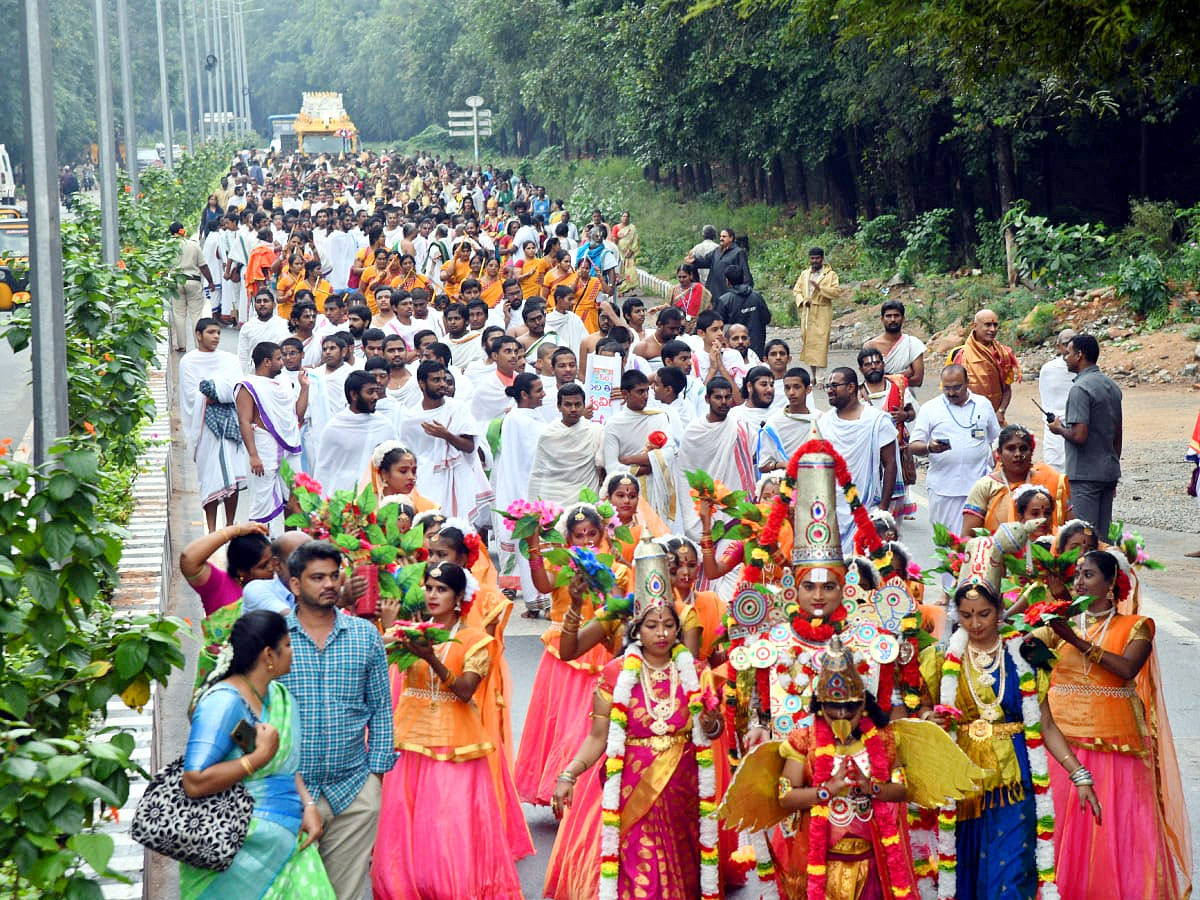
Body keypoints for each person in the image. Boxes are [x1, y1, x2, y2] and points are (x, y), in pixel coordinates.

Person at [926, 535, 1100, 900]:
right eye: (967, 615)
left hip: (1014, 785)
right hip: (963, 789)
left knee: (1011, 877)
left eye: (984, 614)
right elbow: (924, 716)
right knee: (967, 878)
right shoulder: (942, 663)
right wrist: (933, 719)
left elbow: (1047, 725)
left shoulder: (1024, 656)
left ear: (1000, 609)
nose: (975, 624)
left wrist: (1078, 773)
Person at [550, 542, 723, 900]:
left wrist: (711, 723)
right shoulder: (616, 674)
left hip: (683, 792)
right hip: (633, 789)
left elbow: (714, 728)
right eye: (651, 625)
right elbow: (599, 737)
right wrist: (569, 774)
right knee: (640, 875)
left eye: (668, 625)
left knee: (683, 879)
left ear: (678, 629)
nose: (661, 633)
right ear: (636, 630)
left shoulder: (695, 672)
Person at [1042, 549, 1191, 900]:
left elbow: (1127, 669)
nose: (1079, 581)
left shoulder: (1136, 626)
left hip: (1114, 744)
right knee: (1060, 827)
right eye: (1077, 574)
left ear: (1111, 584)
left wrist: (1074, 641)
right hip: (1062, 741)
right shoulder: (1057, 622)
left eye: (1089, 575)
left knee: (1112, 829)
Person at [371, 563, 526, 900]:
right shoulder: (409, 633)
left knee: (446, 825)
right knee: (404, 822)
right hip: (410, 740)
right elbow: (375, 667)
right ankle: (405, 888)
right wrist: (387, 627)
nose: (432, 595)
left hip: (455, 744)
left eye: (441, 589)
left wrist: (433, 659)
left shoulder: (475, 640)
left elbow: (466, 691)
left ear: (459, 598)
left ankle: (450, 889)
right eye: (428, 587)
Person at [181, 611, 335, 900]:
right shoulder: (223, 704)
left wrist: (308, 805)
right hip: (239, 853)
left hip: (289, 842)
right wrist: (257, 757)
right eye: (288, 645)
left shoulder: (277, 696)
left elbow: (284, 766)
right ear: (269, 654)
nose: (293, 652)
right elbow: (194, 780)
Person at [279, 541, 394, 900]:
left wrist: (373, 783)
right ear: (295, 585)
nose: (329, 584)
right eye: (317, 578)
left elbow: (381, 710)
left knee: (344, 895)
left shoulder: (364, 636)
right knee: (290, 893)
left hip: (353, 793)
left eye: (333, 575)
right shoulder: (274, 639)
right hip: (288, 796)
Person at [773, 636, 919, 900]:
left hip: (873, 860)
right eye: (832, 708)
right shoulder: (803, 741)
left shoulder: (883, 739)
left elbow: (902, 790)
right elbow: (785, 796)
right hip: (820, 863)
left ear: (864, 704)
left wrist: (871, 787)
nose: (841, 716)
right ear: (820, 706)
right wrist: (827, 790)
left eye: (850, 709)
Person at [514, 506, 632, 806]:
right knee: (561, 725)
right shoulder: (562, 565)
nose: (586, 540)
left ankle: (585, 794)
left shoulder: (615, 569)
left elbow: (616, 607)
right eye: (579, 536)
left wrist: (599, 578)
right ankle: (558, 786)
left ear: (603, 533)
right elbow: (542, 586)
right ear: (569, 538)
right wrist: (533, 545)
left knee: (586, 724)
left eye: (592, 534)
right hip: (562, 652)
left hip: (599, 649)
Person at [908, 363, 1000, 537]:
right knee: (947, 545)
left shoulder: (983, 405)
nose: (951, 393)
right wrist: (929, 447)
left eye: (957, 387)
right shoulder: (930, 408)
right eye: (946, 388)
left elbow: (997, 441)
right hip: (943, 490)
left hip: (978, 489)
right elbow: (913, 445)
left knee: (976, 544)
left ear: (968, 382)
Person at [815, 367, 898, 553]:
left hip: (867, 506)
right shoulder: (824, 422)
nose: (829, 389)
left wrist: (882, 509)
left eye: (834, 385)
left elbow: (890, 464)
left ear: (852, 387)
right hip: (832, 509)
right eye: (828, 385)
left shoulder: (877, 420)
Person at [1048, 333, 1123, 537]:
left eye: (1069, 353)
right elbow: (1118, 433)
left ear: (1079, 355)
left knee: (1084, 537)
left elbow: (1079, 435)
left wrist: (1059, 428)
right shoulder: (1111, 386)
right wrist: (1114, 464)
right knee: (1102, 536)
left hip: (1085, 475)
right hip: (1108, 472)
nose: (1065, 357)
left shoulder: (1080, 389)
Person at [398, 361, 492, 524]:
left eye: (444, 380)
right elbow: (409, 454)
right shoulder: (411, 418)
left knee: (458, 530)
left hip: (457, 478)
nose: (442, 385)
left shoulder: (457, 409)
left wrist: (446, 435)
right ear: (422, 384)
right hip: (425, 481)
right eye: (436, 380)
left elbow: (469, 447)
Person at [179, 318, 248, 532]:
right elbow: (192, 395)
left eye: (218, 332)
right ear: (198, 335)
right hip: (205, 429)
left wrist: (213, 390)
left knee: (233, 475)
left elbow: (238, 388)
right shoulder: (189, 362)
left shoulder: (230, 359)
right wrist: (216, 391)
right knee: (209, 477)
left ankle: (229, 524)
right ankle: (211, 530)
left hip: (230, 424)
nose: (217, 336)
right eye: (211, 332)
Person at [235, 342, 308, 536]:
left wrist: (305, 389)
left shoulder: (284, 383)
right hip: (264, 448)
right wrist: (253, 455)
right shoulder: (248, 386)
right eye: (278, 358)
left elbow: (296, 417)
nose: (283, 362)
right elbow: (244, 421)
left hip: (290, 446)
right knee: (261, 503)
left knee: (295, 498)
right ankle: (259, 550)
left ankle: (290, 544)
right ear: (267, 362)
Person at [492, 373, 549, 604]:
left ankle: (538, 599)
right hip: (524, 489)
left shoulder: (526, 415)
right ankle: (538, 599)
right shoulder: (519, 419)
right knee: (532, 548)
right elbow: (538, 452)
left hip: (528, 487)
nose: (543, 394)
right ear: (524, 395)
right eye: (539, 390)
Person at [962, 423, 1072, 535]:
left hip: (1045, 551)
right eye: (1011, 448)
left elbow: (1071, 533)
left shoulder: (1050, 479)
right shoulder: (985, 486)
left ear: (1031, 453)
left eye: (1023, 449)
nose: (1018, 454)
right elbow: (967, 537)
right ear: (999, 453)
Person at [314, 371, 396, 496]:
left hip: (376, 499)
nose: (375, 397)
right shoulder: (334, 428)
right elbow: (323, 470)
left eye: (376, 391)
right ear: (354, 395)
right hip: (341, 500)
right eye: (370, 392)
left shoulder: (385, 426)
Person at [858, 347, 917, 519]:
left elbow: (912, 412)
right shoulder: (857, 393)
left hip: (895, 452)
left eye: (877, 362)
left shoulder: (897, 387)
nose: (873, 367)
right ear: (861, 369)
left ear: (883, 364)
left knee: (893, 516)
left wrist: (904, 415)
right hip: (868, 457)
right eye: (868, 364)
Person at [527, 383, 606, 505]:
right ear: (559, 407)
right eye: (568, 404)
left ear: (584, 405)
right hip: (553, 502)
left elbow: (604, 467)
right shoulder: (548, 435)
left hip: (585, 504)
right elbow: (538, 472)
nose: (573, 409)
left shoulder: (595, 431)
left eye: (578, 404)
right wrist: (532, 507)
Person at [680, 377, 757, 498]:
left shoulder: (740, 428)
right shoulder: (693, 431)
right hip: (704, 502)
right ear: (707, 399)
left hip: (734, 501)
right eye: (718, 397)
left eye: (728, 397)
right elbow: (686, 469)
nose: (724, 402)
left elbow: (753, 454)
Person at [947, 308, 1021, 424]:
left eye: (995, 325)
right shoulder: (958, 354)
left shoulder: (1004, 354)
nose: (992, 329)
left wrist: (1000, 412)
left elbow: (1007, 389)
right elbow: (948, 389)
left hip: (993, 418)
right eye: (987, 325)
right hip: (963, 418)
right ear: (974, 326)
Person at [791, 246, 840, 376]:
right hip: (807, 312)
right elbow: (796, 290)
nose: (814, 261)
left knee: (821, 345)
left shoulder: (831, 275)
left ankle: (820, 379)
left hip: (822, 312)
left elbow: (836, 293)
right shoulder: (804, 274)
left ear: (822, 259)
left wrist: (820, 288)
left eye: (817, 258)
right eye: (812, 258)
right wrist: (802, 300)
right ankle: (813, 376)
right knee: (809, 344)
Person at [170, 221, 217, 353]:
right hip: (193, 281)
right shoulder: (193, 245)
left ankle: (181, 345)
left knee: (179, 314)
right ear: (182, 230)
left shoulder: (168, 247)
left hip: (176, 282)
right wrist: (211, 282)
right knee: (196, 315)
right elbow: (203, 266)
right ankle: (199, 345)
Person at [862, 298, 927, 387]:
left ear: (903, 318)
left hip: (905, 398)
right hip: (876, 397)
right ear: (882, 319)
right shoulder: (870, 346)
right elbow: (870, 379)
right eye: (888, 316)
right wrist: (903, 375)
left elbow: (917, 380)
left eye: (896, 315)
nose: (892, 319)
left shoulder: (913, 344)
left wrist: (886, 377)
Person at [1036, 328, 1076, 469]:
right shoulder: (1048, 370)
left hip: (1078, 427)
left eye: (1074, 343)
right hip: (1054, 429)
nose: (1070, 348)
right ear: (1058, 347)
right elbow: (1047, 400)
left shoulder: (1083, 367)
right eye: (1066, 344)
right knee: (1053, 472)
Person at [714, 265, 771, 358]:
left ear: (727, 282)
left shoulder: (724, 300)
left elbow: (718, 327)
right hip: (757, 347)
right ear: (744, 278)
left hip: (734, 349)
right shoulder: (757, 297)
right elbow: (767, 318)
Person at [763, 366, 815, 466]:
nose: (791, 392)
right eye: (787, 388)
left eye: (797, 387)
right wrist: (781, 465)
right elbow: (763, 465)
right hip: (783, 479)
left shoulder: (820, 419)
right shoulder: (774, 422)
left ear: (808, 389)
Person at [686, 226, 752, 301]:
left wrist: (746, 290)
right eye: (720, 236)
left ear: (731, 238)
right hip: (713, 291)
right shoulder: (717, 251)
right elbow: (705, 261)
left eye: (724, 236)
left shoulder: (738, 252)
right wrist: (694, 260)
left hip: (728, 293)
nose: (721, 238)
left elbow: (745, 273)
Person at [238, 290, 292, 373]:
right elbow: (243, 356)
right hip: (255, 374)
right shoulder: (247, 328)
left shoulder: (284, 325)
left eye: (266, 301)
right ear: (254, 306)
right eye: (258, 301)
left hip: (280, 373)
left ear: (274, 305)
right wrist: (243, 375)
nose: (262, 304)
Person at [612, 210, 640, 289]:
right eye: (624, 216)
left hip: (629, 253)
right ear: (621, 218)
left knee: (630, 271)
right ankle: (621, 289)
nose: (625, 218)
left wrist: (631, 251)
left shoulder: (632, 228)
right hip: (619, 253)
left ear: (629, 218)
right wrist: (619, 237)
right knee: (620, 271)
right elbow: (614, 241)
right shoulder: (616, 227)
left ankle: (630, 290)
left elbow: (635, 240)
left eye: (627, 216)